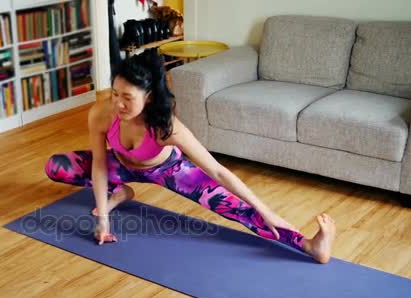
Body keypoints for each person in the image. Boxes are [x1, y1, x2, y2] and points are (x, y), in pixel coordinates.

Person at [45, 49, 336, 263]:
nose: (118, 103)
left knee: (232, 206)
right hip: (119, 166)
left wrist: (265, 209)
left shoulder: (166, 128)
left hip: (166, 170)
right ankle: (120, 193)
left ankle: (308, 245)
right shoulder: (101, 114)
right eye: (115, 93)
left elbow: (219, 172)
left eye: (127, 97)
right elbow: (98, 163)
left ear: (148, 97)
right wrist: (103, 217)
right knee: (57, 166)